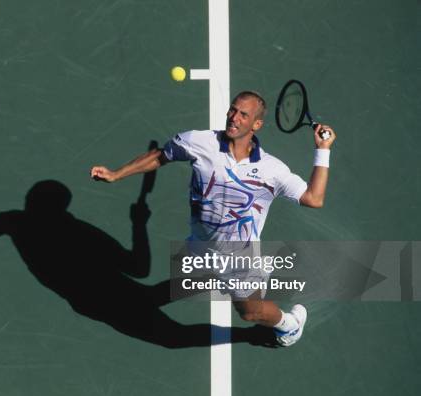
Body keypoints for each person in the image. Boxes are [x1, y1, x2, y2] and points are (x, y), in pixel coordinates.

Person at [89, 91, 336, 347]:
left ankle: (290, 325)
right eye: (232, 110)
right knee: (189, 276)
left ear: (256, 125)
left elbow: (313, 198)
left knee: (249, 313)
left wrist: (322, 151)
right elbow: (161, 156)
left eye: (243, 114)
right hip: (202, 245)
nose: (234, 118)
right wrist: (116, 174)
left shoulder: (272, 170)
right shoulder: (199, 142)